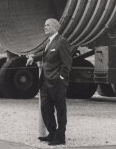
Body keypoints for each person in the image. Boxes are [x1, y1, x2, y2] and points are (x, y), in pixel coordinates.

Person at [26, 18, 72, 146]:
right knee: (46, 109)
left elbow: (67, 63)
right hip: (45, 83)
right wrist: (33, 57)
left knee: (60, 109)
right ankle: (52, 134)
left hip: (57, 82)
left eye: (48, 25)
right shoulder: (49, 42)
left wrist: (61, 78)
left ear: (56, 27)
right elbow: (46, 54)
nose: (45, 27)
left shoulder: (62, 42)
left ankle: (60, 137)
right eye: (44, 25)